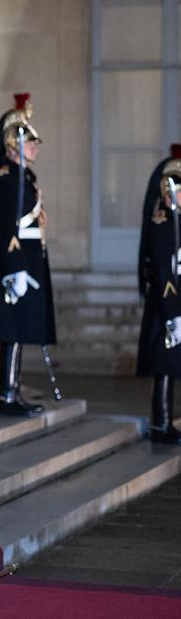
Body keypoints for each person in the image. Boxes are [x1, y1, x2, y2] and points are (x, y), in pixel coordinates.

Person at [0, 93, 55, 416]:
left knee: (20, 328)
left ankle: (13, 389)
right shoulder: (7, 179)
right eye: (30, 141)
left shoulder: (23, 178)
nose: (35, 146)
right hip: (15, 263)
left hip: (27, 262)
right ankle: (7, 393)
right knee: (12, 329)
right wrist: (16, 268)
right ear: (13, 144)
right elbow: (3, 228)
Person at [137, 143, 181, 445]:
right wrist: (173, 313)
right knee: (163, 366)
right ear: (169, 193)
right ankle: (161, 422)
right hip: (167, 304)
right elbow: (164, 273)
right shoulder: (161, 223)